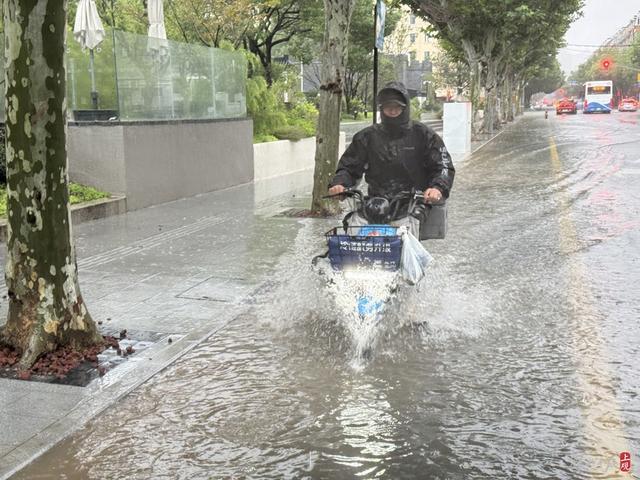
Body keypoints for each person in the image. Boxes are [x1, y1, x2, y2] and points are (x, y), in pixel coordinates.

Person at [328, 81, 454, 208]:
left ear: (405, 108)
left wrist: (437, 188)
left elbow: (443, 166)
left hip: (419, 203)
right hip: (377, 205)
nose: (393, 111)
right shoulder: (366, 137)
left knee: (434, 223)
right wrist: (340, 184)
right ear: (382, 109)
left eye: (397, 107)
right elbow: (349, 166)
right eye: (388, 107)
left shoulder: (425, 135)